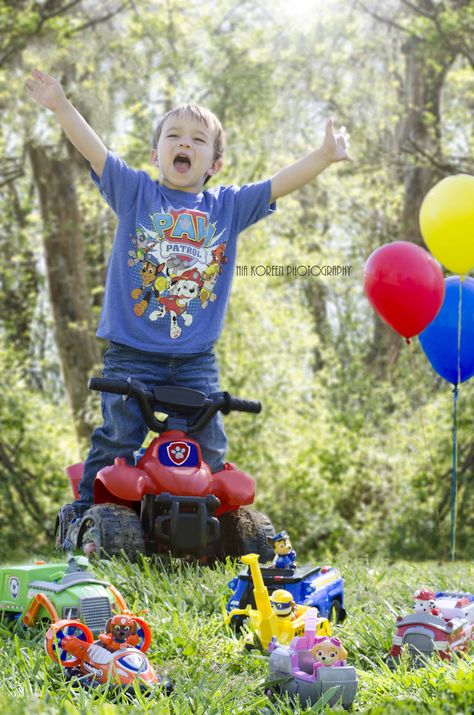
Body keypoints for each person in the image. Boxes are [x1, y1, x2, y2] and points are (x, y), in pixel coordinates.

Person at [26, 68, 351, 547]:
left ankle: (216, 529)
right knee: (118, 438)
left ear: (214, 163)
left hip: (196, 361)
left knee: (209, 450)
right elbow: (94, 148)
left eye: (197, 139)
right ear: (156, 153)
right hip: (132, 353)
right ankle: (80, 516)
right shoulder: (136, 192)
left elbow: (277, 184)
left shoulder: (226, 207)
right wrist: (60, 105)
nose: (184, 143)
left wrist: (324, 156)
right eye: (173, 136)